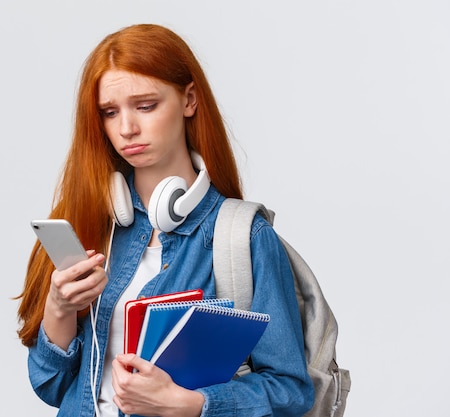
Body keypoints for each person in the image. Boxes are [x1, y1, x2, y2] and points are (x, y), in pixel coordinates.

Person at [16, 23, 314, 417]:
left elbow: (291, 391)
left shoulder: (243, 238)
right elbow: (51, 387)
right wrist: (58, 308)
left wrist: (190, 404)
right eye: (109, 112)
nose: (126, 129)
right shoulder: (92, 225)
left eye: (145, 105)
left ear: (189, 99)